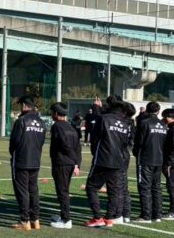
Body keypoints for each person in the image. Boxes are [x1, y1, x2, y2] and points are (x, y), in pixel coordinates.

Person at [85, 97, 132, 227]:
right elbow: (126, 143)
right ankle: (109, 217)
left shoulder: (104, 118)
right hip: (119, 159)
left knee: (91, 187)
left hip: (103, 159)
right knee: (114, 189)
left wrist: (95, 153)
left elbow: (95, 138)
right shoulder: (125, 123)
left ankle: (97, 217)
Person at [9, 95, 46, 231]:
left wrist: (12, 152)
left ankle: (24, 220)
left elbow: (14, 142)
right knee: (33, 190)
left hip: (21, 161)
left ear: (24, 106)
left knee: (22, 191)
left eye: (21, 105)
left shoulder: (21, 121)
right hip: (35, 160)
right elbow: (42, 142)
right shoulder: (41, 122)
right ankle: (35, 220)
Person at [133, 101, 167, 223]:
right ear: (158, 111)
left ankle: (146, 215)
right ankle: (157, 215)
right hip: (159, 159)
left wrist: (136, 152)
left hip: (146, 159)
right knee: (156, 187)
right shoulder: (163, 125)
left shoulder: (144, 123)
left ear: (147, 111)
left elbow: (138, 141)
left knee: (144, 187)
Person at [49, 102, 82, 229]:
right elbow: (78, 147)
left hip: (61, 163)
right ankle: (64, 215)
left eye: (52, 112)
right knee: (65, 190)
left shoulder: (57, 126)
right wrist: (77, 163)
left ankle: (66, 219)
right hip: (69, 164)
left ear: (56, 113)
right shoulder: (71, 127)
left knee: (62, 191)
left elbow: (63, 144)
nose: (51, 114)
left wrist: (74, 159)